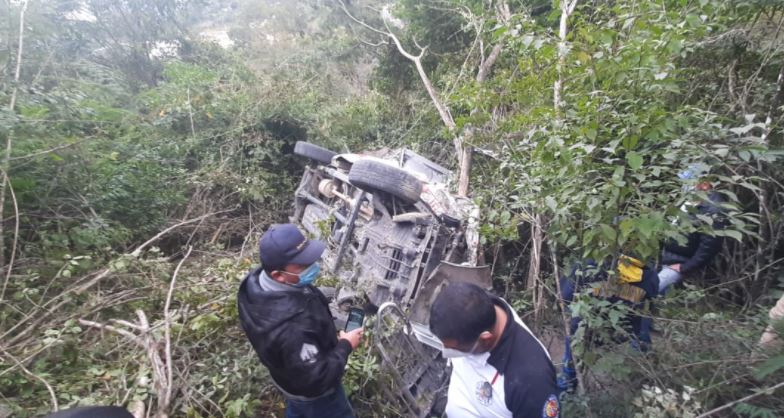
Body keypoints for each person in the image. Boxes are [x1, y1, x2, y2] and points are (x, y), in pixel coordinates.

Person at [237, 223, 363, 418]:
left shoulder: (253, 283)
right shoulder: (292, 328)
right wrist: (346, 345)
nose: (313, 266)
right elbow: (318, 379)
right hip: (316, 397)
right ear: (278, 275)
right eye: (303, 265)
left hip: (289, 378)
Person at [429, 282, 560, 418]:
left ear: (485, 339)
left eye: (457, 349)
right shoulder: (479, 308)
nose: (446, 353)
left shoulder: (531, 384)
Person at [557, 256, 659, 391]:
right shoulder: (650, 277)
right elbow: (650, 304)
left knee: (574, 335)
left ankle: (568, 382)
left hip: (588, 331)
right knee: (643, 319)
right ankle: (645, 369)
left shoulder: (588, 265)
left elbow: (566, 297)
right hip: (624, 333)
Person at [658, 166, 726, 294]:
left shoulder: (713, 210)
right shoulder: (689, 199)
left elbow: (709, 247)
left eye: (688, 183)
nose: (684, 186)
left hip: (679, 262)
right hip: (665, 255)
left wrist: (685, 268)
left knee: (649, 290)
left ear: (704, 185)